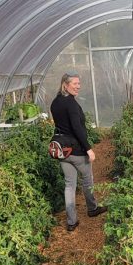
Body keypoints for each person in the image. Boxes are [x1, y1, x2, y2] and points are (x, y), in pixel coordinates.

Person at [50, 72, 107, 231]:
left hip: (63, 151)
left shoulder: (55, 102)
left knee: (69, 185)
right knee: (87, 179)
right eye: (75, 84)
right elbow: (77, 128)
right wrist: (88, 149)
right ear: (65, 85)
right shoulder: (71, 104)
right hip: (76, 150)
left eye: (79, 84)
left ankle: (71, 221)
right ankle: (92, 209)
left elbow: (61, 125)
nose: (78, 86)